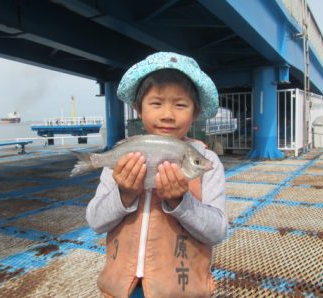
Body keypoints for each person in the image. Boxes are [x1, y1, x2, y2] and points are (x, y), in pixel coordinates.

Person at [86, 52, 227, 298]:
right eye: (156, 103)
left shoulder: (208, 162)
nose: (167, 115)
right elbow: (96, 222)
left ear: (195, 112)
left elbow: (217, 232)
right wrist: (124, 193)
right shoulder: (123, 154)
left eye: (180, 104)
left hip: (181, 290)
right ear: (139, 110)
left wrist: (181, 202)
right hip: (124, 289)